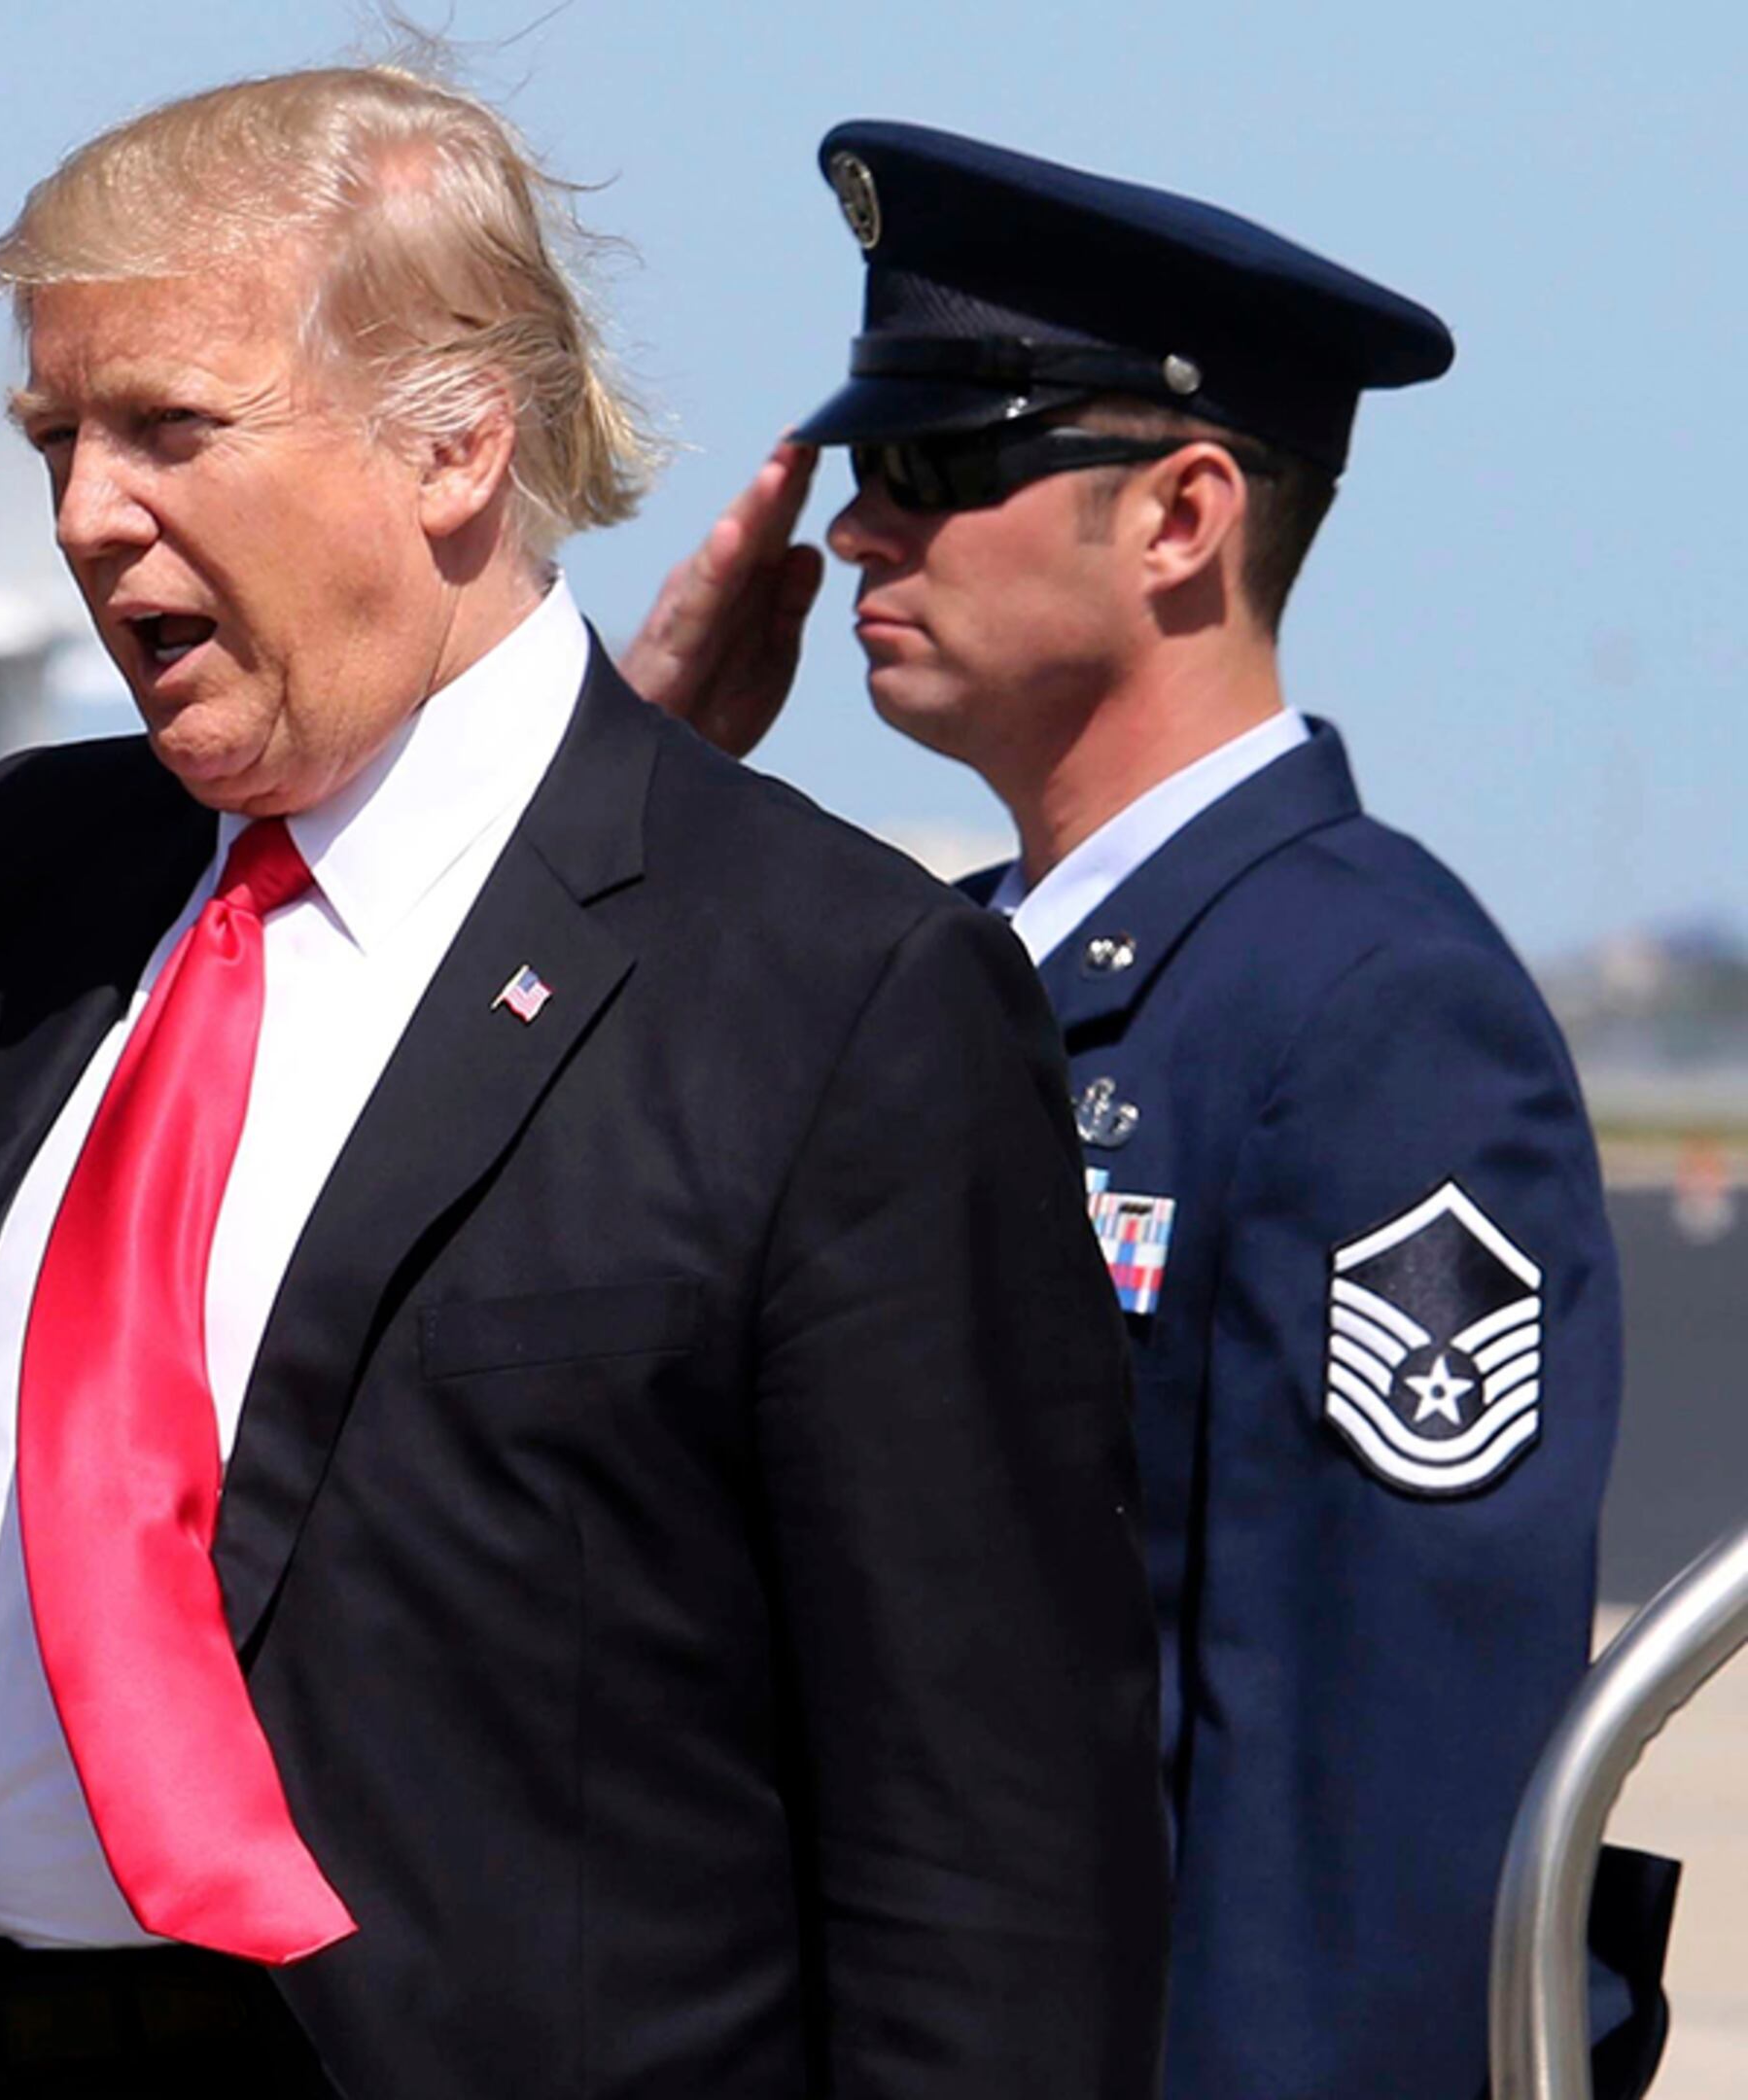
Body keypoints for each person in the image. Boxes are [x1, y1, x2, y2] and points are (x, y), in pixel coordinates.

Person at [0, 69, 1167, 2100]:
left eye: (171, 428)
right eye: (58, 437)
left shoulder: (828, 997)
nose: (89, 510)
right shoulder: (2, 885)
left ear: (458, 441)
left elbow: (987, 1859)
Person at [619, 122, 1673, 2099]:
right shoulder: (923, 970)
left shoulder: (1371, 1014)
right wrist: (640, 778)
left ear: (1184, 515)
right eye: (857, 477)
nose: (855, 535)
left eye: (935, 468)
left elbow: (1375, 1799)